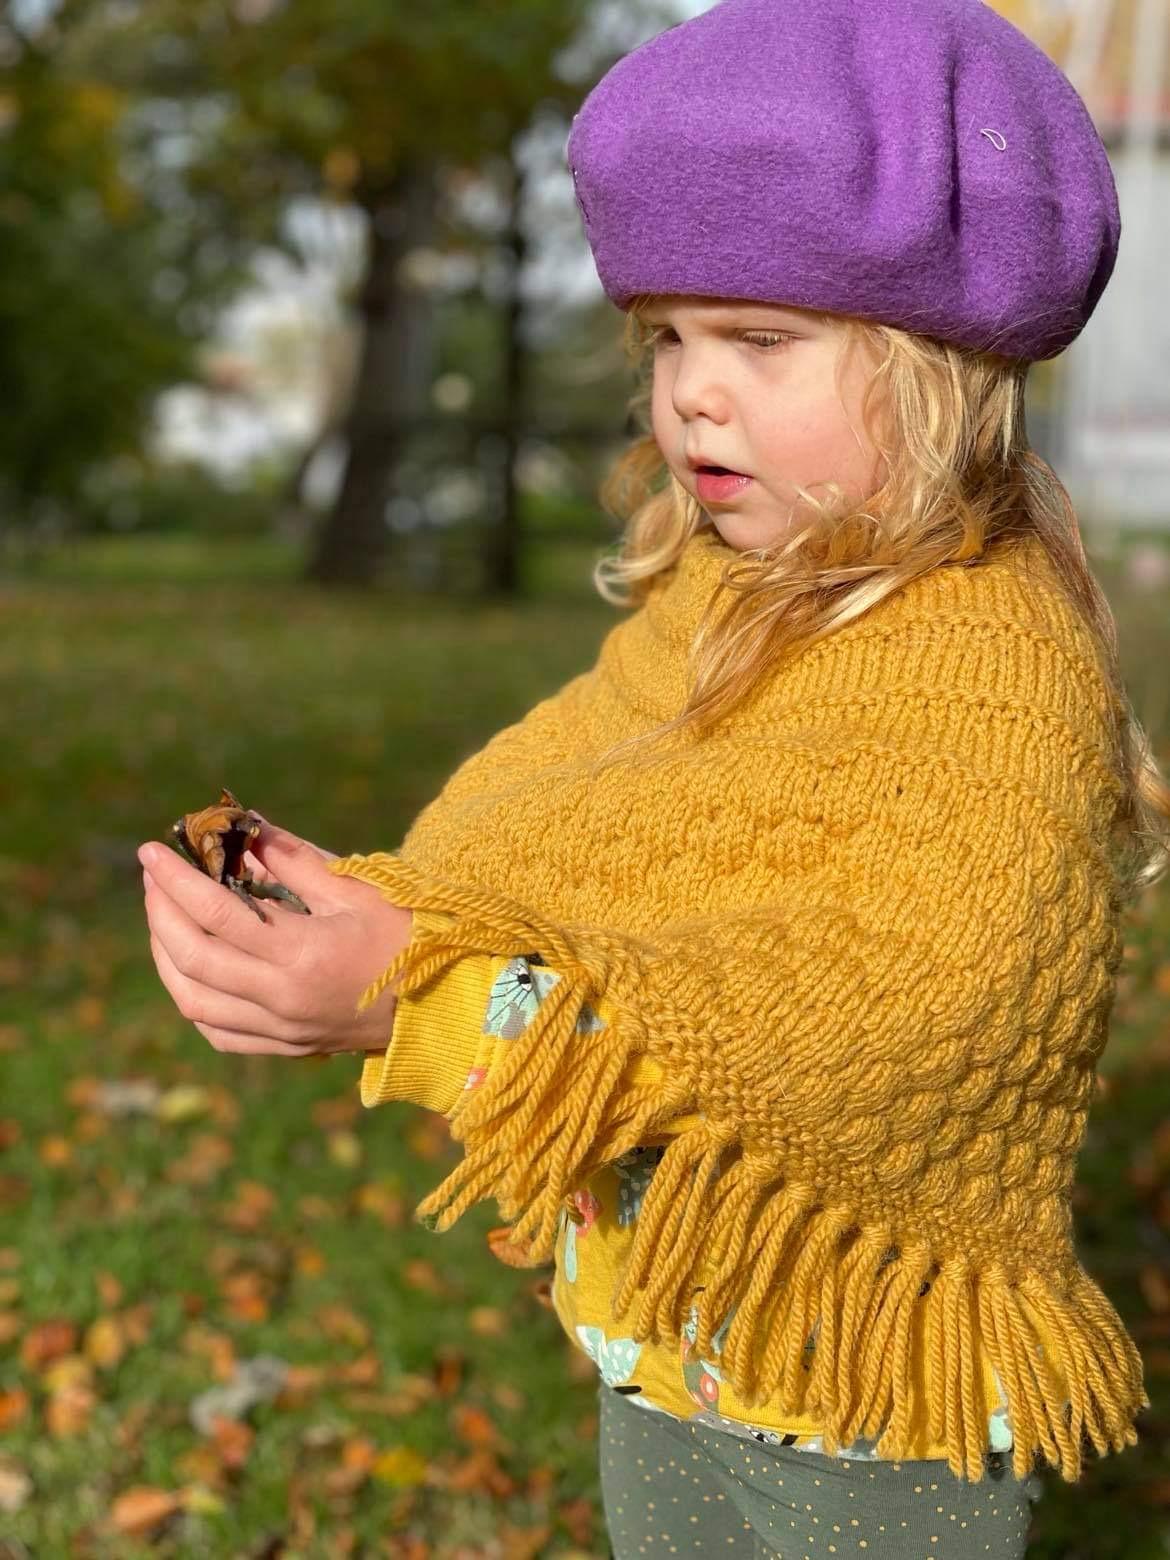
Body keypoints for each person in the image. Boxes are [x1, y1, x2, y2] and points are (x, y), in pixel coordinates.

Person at [138, 0, 1170, 1552]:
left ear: (940, 363)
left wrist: (412, 1003)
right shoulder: (732, 591)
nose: (692, 389)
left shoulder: (988, 667)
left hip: (859, 1396)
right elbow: (569, 798)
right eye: (668, 337)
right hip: (658, 1328)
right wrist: (377, 910)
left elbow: (900, 1011)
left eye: (760, 340)